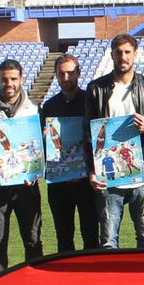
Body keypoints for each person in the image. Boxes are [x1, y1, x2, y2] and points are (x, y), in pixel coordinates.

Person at [85, 33, 144, 248]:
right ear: (111, 55)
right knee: (108, 241)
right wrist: (91, 170)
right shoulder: (96, 89)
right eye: (118, 52)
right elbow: (87, 134)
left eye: (127, 52)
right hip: (108, 176)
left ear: (135, 54)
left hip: (143, 175)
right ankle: (110, 281)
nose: (123, 57)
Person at [0, 57, 43, 273]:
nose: (9, 84)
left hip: (26, 185)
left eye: (13, 79)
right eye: (4, 79)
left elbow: (42, 147)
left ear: (22, 79)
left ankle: (36, 282)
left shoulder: (35, 110)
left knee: (32, 238)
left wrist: (37, 167)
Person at [41, 54, 102, 251]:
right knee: (63, 235)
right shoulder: (49, 106)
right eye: (61, 73)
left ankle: (92, 274)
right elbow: (40, 145)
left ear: (78, 73)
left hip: (87, 180)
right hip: (59, 181)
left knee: (91, 232)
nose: (66, 78)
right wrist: (43, 137)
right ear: (56, 75)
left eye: (70, 73)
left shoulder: (89, 101)